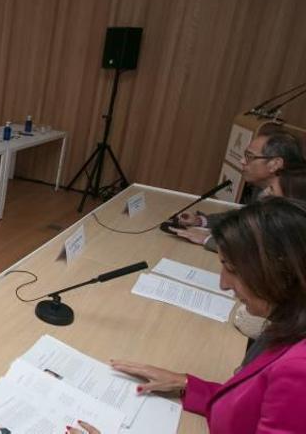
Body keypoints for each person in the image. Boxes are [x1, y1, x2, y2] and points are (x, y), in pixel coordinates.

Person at [72, 197, 306, 434]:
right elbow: (247, 410)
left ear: (279, 270)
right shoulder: (290, 325)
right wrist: (185, 384)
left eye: (233, 270)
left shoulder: (298, 369)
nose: (223, 284)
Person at [171, 125, 303, 247]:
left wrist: (209, 240)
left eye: (250, 157)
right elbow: (242, 219)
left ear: (275, 164)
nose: (242, 161)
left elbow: (266, 250)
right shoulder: (262, 187)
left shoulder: (293, 202)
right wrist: (201, 221)